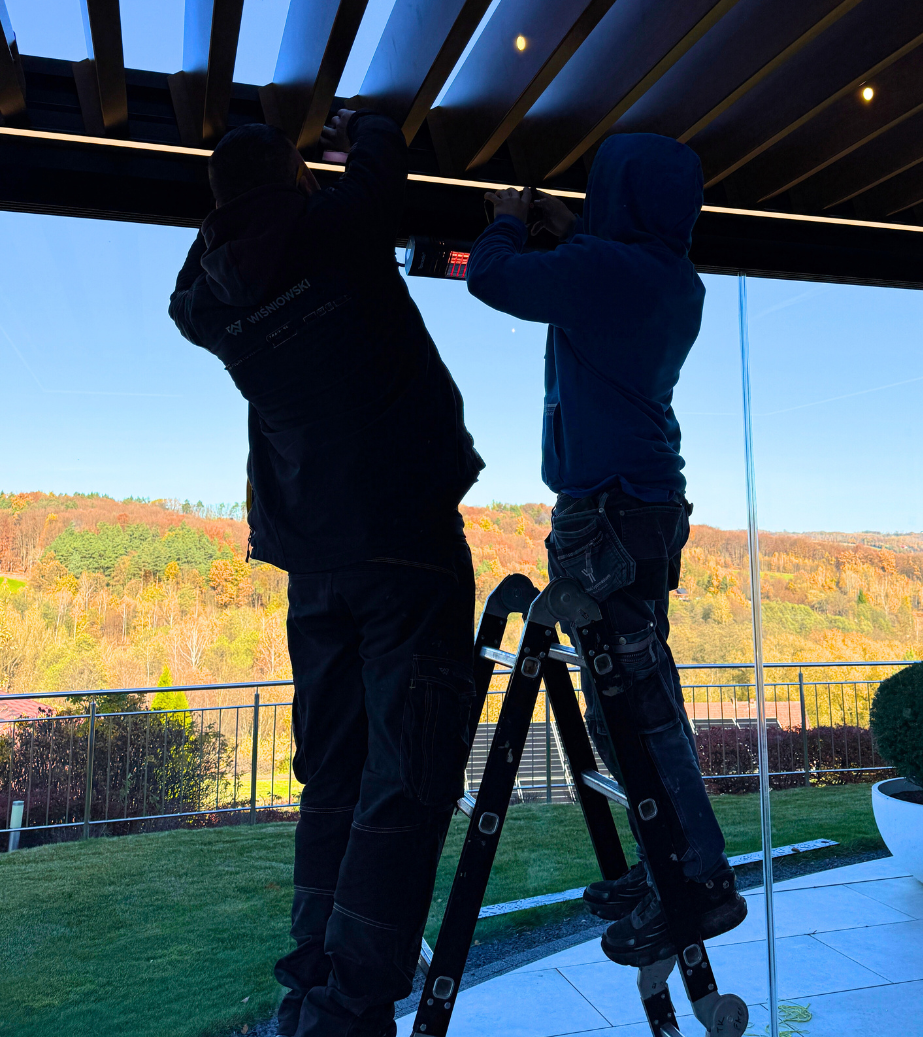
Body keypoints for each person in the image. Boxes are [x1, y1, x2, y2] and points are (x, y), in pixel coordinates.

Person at [169, 111, 484, 1037]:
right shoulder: (337, 234)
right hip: (406, 543)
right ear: (295, 181)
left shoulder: (211, 304)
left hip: (316, 563)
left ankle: (316, 984)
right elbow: (379, 169)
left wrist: (255, 203)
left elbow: (196, 282)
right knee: (406, 773)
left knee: (337, 778)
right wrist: (367, 127)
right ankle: (350, 1005)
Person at [464, 133, 746, 967]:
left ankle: (696, 879)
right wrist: (569, 228)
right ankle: (667, 865)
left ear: (618, 195)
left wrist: (507, 220)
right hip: (643, 509)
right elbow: (601, 262)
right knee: (637, 698)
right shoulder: (673, 278)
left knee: (637, 709)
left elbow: (492, 278)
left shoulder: (605, 270)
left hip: (607, 516)